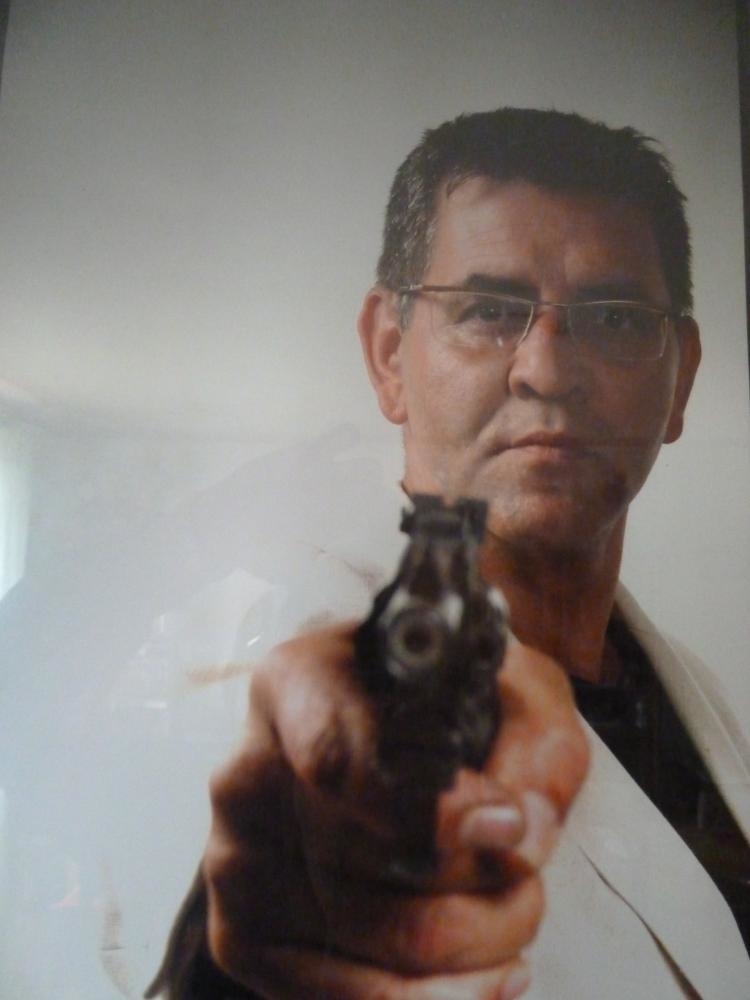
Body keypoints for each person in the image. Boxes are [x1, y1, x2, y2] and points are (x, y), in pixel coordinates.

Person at [148, 108, 750, 999]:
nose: (547, 369)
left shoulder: (700, 698)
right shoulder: (298, 706)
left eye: (616, 318)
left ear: (681, 375)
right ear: (390, 355)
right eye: (489, 311)